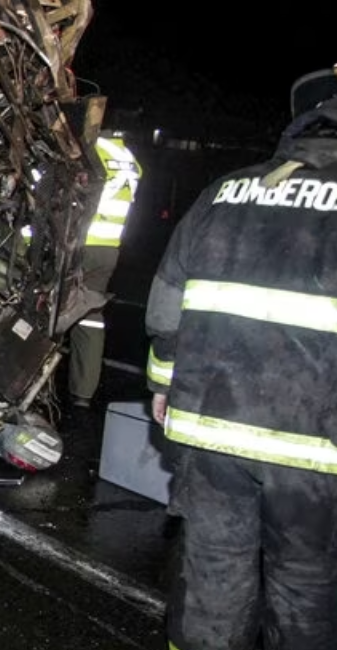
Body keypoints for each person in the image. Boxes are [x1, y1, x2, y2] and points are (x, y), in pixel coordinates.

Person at [144, 65, 336, 650]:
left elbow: (165, 308)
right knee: (305, 594)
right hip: (316, 452)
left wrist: (164, 386)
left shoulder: (225, 192)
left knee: (211, 586)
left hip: (210, 432)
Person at [68, 132, 142, 407]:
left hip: (78, 245)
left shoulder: (89, 150)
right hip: (109, 248)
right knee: (89, 315)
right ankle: (83, 393)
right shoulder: (127, 158)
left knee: (45, 312)